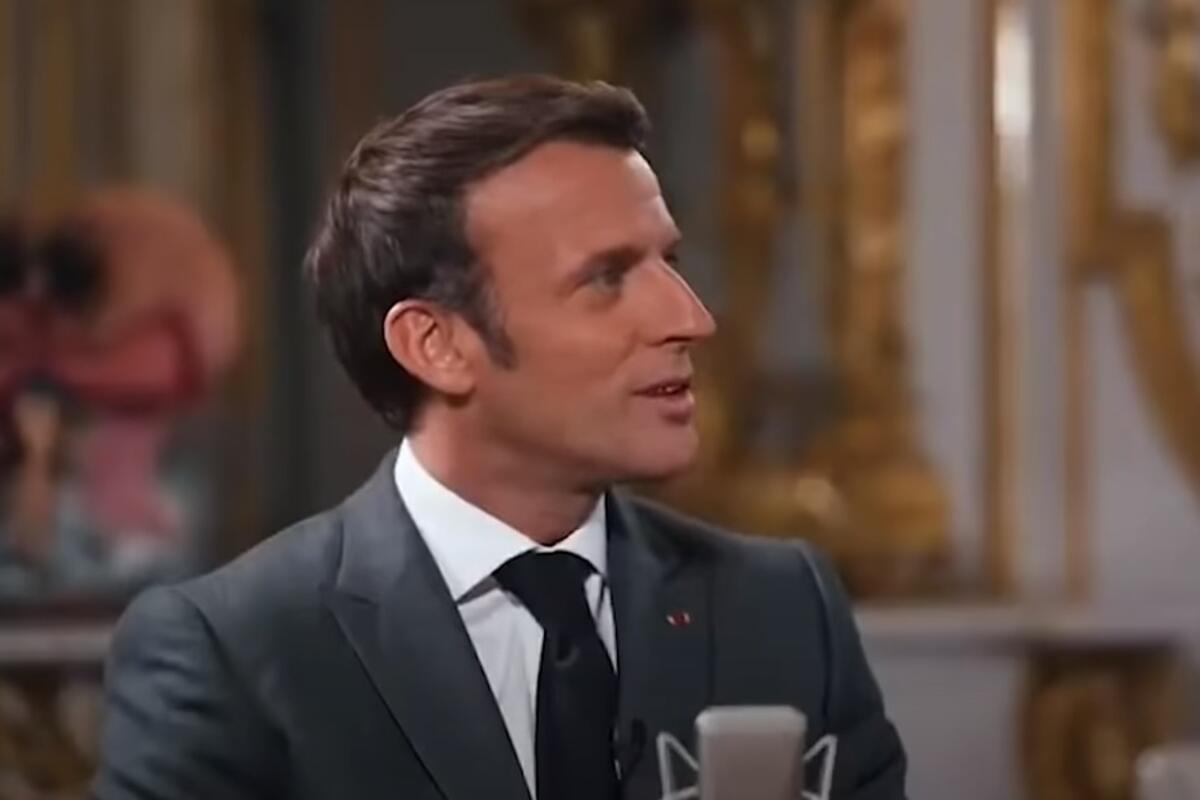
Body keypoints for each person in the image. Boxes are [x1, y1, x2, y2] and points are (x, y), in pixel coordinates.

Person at [92, 75, 906, 800]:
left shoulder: (782, 608)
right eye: (607, 278)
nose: (690, 317)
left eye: (670, 261)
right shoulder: (233, 652)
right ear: (436, 345)